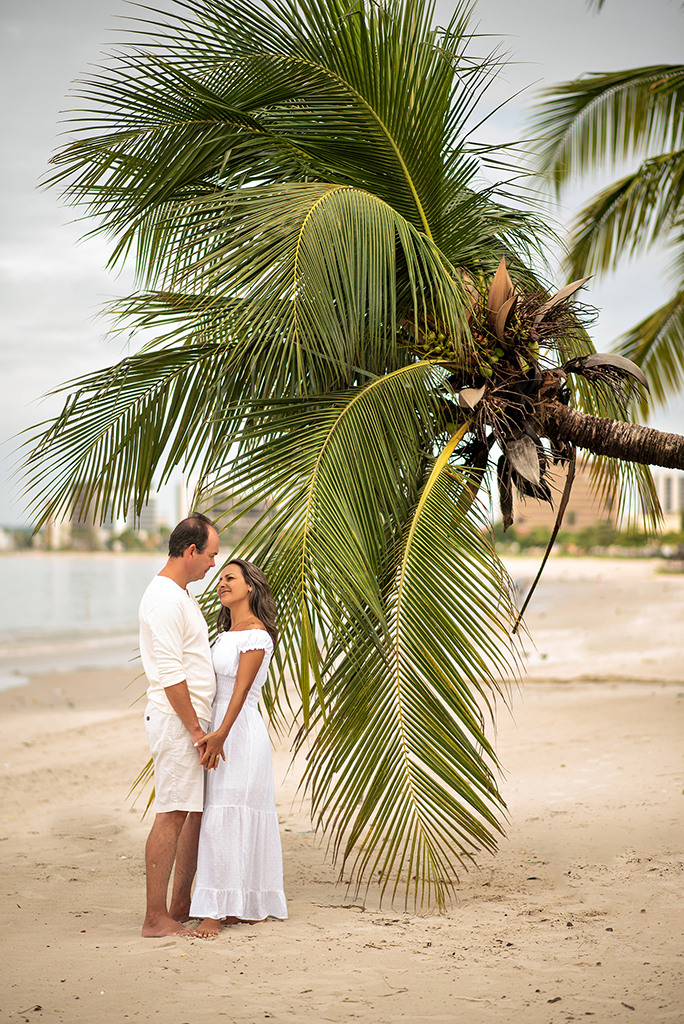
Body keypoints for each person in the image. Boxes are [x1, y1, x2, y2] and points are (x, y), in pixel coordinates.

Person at [189, 558, 287, 937]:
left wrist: (220, 735)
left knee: (228, 816)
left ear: (250, 587)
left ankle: (216, 911)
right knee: (223, 816)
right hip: (220, 727)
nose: (221, 583)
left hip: (239, 732)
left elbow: (242, 691)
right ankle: (237, 904)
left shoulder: (256, 634)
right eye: (220, 579)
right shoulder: (226, 632)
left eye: (230, 578)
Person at [139, 512, 220, 937]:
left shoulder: (180, 593)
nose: (213, 564)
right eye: (210, 555)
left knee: (184, 811)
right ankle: (155, 918)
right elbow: (171, 672)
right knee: (170, 814)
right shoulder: (167, 599)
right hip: (176, 722)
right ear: (190, 551)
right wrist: (193, 729)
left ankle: (175, 907)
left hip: (185, 720)